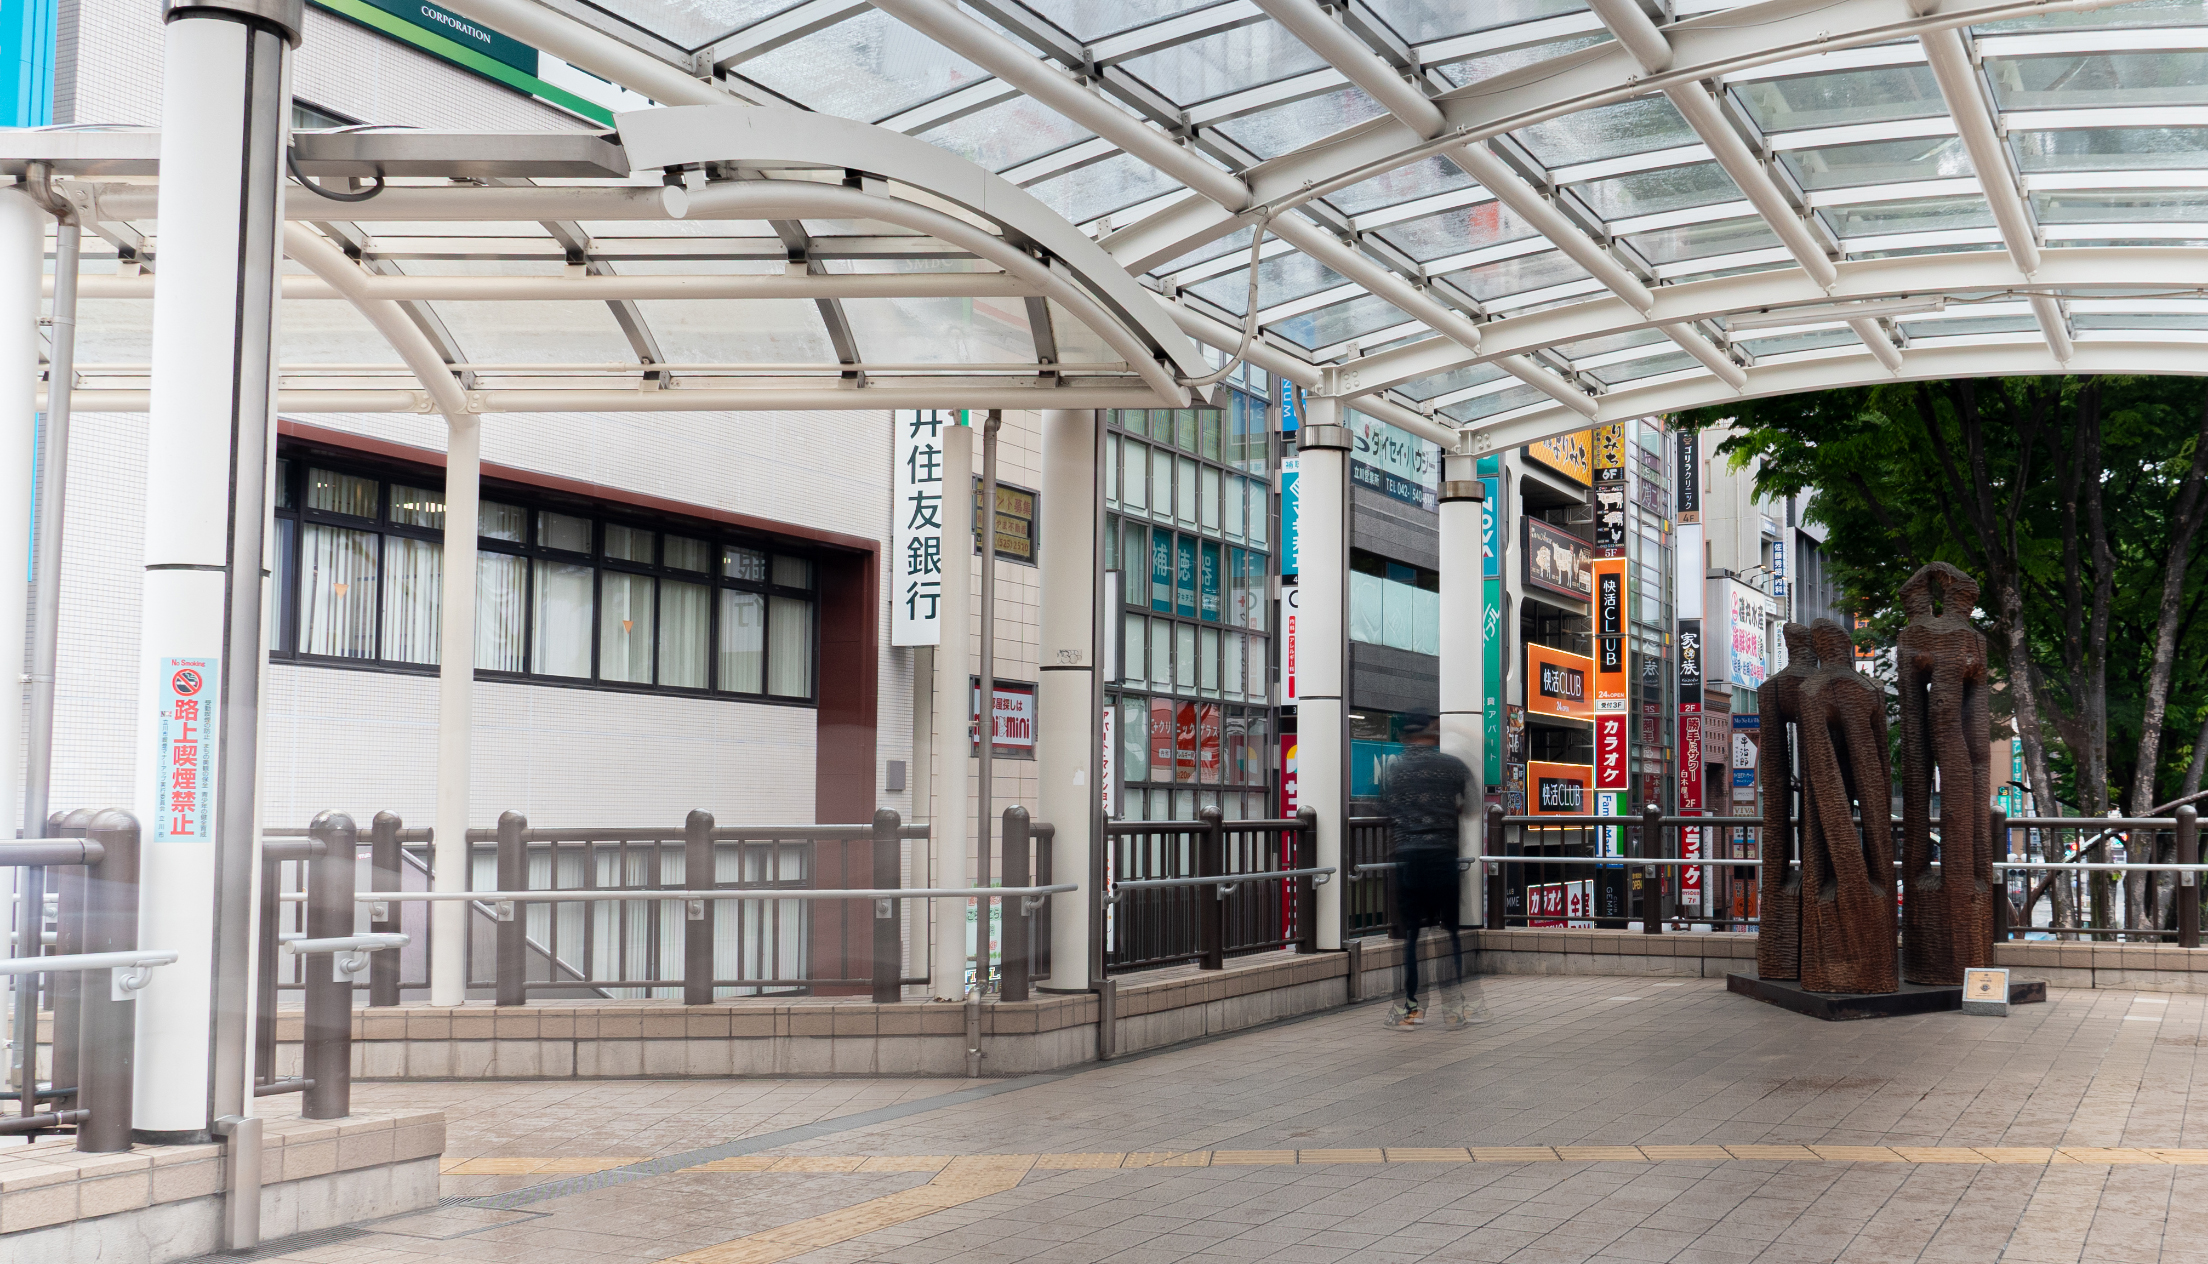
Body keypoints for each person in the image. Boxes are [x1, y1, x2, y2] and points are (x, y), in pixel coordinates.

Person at [1378, 709, 1487, 1030]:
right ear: (1432, 735)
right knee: (1449, 934)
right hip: (1443, 857)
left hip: (1409, 859)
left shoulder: (1395, 769)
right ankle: (1454, 1010)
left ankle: (1412, 1009)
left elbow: (1386, 809)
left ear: (1405, 737)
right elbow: (1473, 807)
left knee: (1412, 937)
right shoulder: (1451, 765)